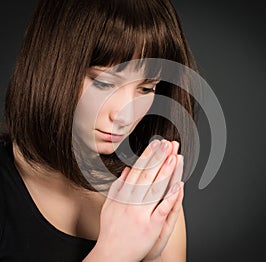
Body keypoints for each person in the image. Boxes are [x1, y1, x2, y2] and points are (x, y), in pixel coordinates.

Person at [0, 0, 198, 261]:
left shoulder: (147, 194)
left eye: (147, 88)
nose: (125, 116)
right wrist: (114, 252)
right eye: (104, 83)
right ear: (51, 66)